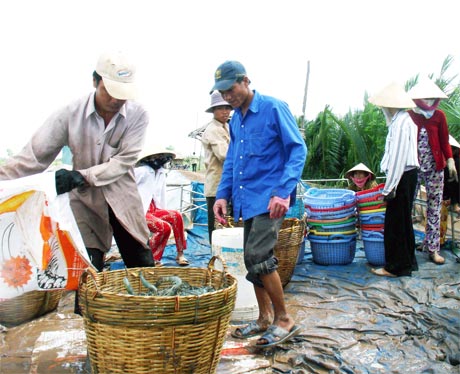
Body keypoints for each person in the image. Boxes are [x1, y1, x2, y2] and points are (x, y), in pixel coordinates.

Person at [0, 51, 156, 311]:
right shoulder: (70, 114)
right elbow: (33, 157)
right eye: (110, 91)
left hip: (123, 198)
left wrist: (81, 176)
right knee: (86, 269)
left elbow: (123, 162)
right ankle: (88, 329)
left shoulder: (138, 115)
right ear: (96, 81)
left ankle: (155, 316)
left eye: (122, 94)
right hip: (85, 203)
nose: (117, 100)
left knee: (142, 263)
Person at [211, 60, 307, 347]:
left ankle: (284, 319)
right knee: (251, 258)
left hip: (270, 198)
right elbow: (231, 162)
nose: (228, 97)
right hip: (246, 200)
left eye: (231, 89)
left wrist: (283, 191)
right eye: (223, 93)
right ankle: (265, 318)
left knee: (259, 255)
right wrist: (221, 195)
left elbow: (297, 149)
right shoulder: (236, 120)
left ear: (246, 80)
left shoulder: (273, 108)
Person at [368, 82, 419, 277]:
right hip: (407, 176)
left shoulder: (400, 123)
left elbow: (398, 158)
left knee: (395, 224)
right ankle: (408, 262)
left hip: (402, 176)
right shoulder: (406, 120)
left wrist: (389, 189)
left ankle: (396, 267)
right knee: (404, 221)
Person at [407, 77, 457, 265]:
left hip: (436, 166)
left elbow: (444, 141)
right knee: (409, 204)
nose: (428, 102)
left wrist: (450, 160)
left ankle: (432, 247)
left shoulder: (439, 116)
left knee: (434, 206)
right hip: (414, 165)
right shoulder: (410, 115)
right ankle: (407, 245)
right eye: (424, 98)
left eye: (431, 98)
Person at [135, 147, 188, 266]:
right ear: (149, 158)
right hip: (140, 211)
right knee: (164, 228)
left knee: (176, 216)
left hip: (154, 208)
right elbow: (127, 186)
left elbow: (161, 195)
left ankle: (180, 253)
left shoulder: (161, 173)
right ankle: (150, 258)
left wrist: (162, 211)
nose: (160, 159)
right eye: (157, 157)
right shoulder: (141, 171)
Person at [201, 91, 232, 244]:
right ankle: (216, 260)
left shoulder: (227, 126)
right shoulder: (213, 129)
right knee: (217, 227)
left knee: (229, 226)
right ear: (213, 110)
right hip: (217, 187)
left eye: (228, 107)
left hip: (227, 185)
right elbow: (224, 155)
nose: (225, 111)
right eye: (220, 108)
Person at [440, 135, 460, 246]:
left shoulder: (456, 162)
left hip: (452, 196)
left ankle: (438, 241)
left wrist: (455, 203)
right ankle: (436, 241)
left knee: (440, 210)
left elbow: (455, 184)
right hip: (446, 196)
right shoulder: (445, 163)